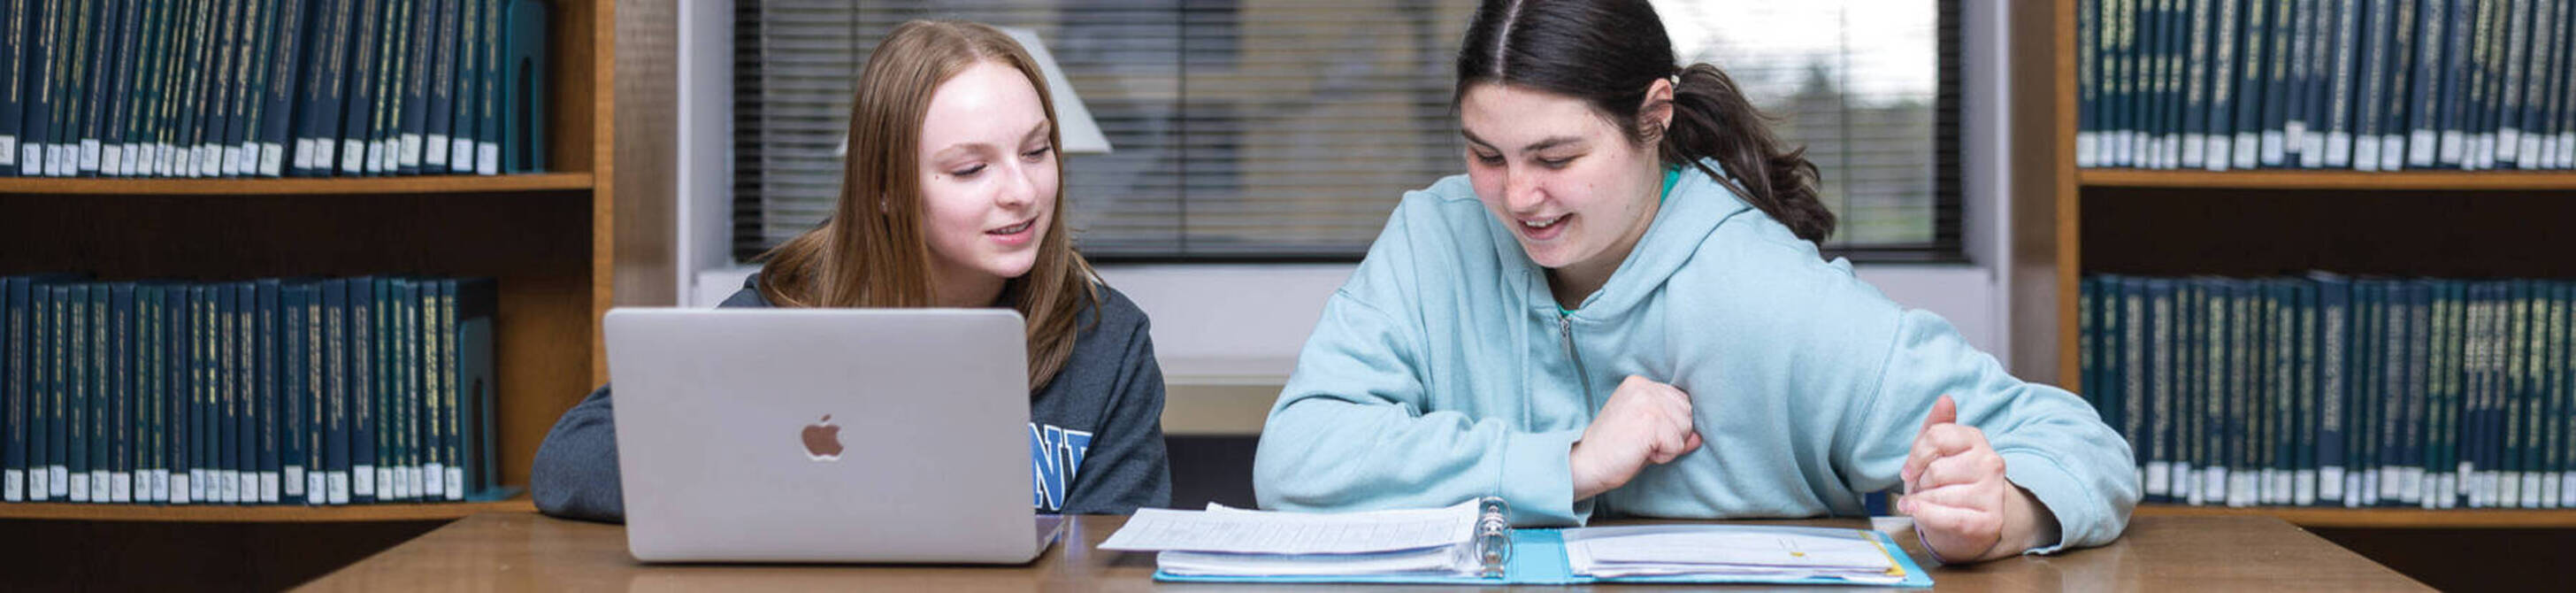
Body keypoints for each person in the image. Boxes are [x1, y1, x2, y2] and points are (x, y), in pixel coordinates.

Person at [1252, 0, 2137, 563]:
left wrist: (2006, 509)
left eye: (1555, 157)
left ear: (1653, 115)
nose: (1515, 196)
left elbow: (2080, 444)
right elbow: (1296, 462)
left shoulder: (1768, 294)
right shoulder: (1431, 237)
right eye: (1486, 154)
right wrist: (1566, 462)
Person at [533, 19, 1170, 521]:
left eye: (1036, 152)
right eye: (970, 169)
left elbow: (1114, 552)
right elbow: (570, 462)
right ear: (887, 189)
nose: (1021, 191)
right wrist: (773, 460)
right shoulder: (790, 308)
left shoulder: (1106, 340)